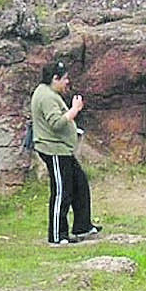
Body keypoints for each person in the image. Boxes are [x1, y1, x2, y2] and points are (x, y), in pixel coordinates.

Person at [30, 60, 100, 245]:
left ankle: (82, 226)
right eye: (65, 79)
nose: (68, 82)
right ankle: (57, 235)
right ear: (55, 78)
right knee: (62, 192)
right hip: (54, 150)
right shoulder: (46, 96)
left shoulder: (50, 93)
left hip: (63, 149)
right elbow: (56, 123)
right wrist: (74, 110)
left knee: (80, 184)